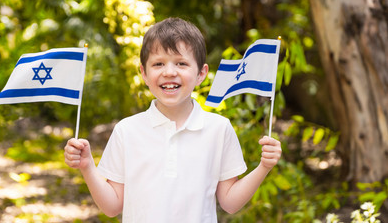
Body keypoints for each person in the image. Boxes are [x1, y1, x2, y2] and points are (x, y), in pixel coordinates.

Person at [64, 17, 282, 222]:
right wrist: (87, 167)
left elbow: (230, 203)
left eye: (181, 63)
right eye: (158, 64)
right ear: (144, 73)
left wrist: (264, 166)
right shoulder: (127, 130)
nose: (169, 72)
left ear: (201, 74)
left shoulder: (218, 129)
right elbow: (112, 207)